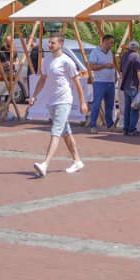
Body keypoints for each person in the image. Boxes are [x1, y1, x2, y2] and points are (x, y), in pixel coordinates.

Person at [29, 34, 87, 177]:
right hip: (52, 101)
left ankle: (45, 164)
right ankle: (77, 161)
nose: (50, 45)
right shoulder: (47, 60)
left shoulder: (67, 61)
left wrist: (82, 101)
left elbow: (77, 82)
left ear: (61, 44)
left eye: (53, 43)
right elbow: (43, 79)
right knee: (65, 132)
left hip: (64, 100)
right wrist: (34, 95)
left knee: (56, 131)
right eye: (49, 42)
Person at [85, 34, 116, 130]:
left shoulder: (110, 52)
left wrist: (115, 76)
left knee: (110, 105)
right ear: (105, 41)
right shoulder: (95, 52)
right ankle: (93, 125)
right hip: (99, 82)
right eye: (111, 42)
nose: (112, 44)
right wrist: (105, 66)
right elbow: (91, 67)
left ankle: (109, 125)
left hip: (110, 82)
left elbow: (113, 65)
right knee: (97, 104)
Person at [119, 40, 140, 136]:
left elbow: (121, 71)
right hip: (133, 84)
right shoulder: (136, 56)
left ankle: (125, 129)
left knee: (127, 108)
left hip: (125, 85)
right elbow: (138, 71)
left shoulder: (124, 56)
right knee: (135, 108)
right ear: (137, 48)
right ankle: (132, 129)